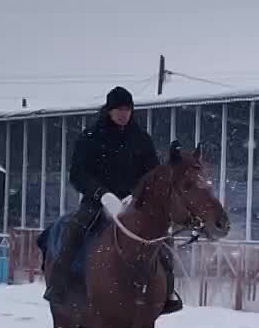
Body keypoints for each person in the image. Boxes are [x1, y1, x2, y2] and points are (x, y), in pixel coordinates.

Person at [43, 85, 182, 314]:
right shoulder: (90, 137)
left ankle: (166, 291)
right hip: (98, 202)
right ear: (108, 110)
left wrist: (139, 193)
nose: (123, 113)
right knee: (75, 230)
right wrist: (101, 194)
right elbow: (78, 174)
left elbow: (153, 173)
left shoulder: (141, 138)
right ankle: (59, 284)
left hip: (133, 203)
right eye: (118, 109)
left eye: (127, 109)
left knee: (163, 238)